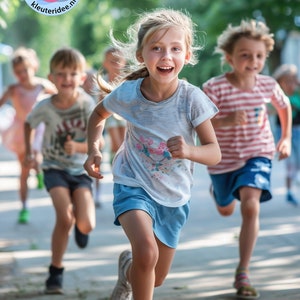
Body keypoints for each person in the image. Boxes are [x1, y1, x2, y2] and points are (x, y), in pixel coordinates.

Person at [84, 8, 221, 300]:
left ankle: (127, 271)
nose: (165, 56)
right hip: (132, 182)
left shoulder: (191, 99)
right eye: (156, 48)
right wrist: (93, 149)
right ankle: (136, 266)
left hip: (173, 195)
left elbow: (214, 153)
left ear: (186, 56)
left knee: (154, 276)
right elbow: (98, 114)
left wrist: (189, 150)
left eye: (175, 48)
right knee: (147, 251)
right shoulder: (129, 93)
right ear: (141, 55)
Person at [202, 20, 292, 299]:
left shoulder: (267, 84)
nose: (253, 61)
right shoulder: (214, 88)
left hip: (257, 153)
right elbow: (200, 122)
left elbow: (283, 105)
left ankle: (243, 270)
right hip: (223, 160)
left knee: (251, 205)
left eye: (259, 56)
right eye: (245, 55)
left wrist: (285, 137)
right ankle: (220, 195)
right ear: (229, 58)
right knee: (227, 209)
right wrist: (226, 120)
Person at [24, 47, 96, 294]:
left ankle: (80, 224)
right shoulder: (45, 106)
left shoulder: (88, 105)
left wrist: (77, 146)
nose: (67, 79)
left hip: (81, 170)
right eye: (61, 74)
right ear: (51, 77)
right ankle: (55, 273)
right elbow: (28, 124)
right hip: (53, 167)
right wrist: (30, 153)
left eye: (73, 73)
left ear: (82, 77)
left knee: (86, 224)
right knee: (64, 217)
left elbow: (99, 143)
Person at [0, 47, 56, 224]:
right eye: (18, 72)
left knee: (37, 154)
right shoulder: (13, 89)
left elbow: (62, 98)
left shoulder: (43, 86)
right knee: (23, 169)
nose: (22, 75)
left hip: (39, 128)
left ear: (33, 66)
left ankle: (38, 169)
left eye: (25, 70)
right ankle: (24, 206)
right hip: (20, 130)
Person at [273, 64, 300, 206]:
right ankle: (289, 191)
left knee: (298, 161)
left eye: (292, 80)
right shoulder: (278, 97)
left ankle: (296, 180)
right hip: (283, 131)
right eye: (286, 81)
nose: (290, 84)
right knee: (290, 163)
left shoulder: (297, 94)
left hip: (298, 130)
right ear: (280, 83)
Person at [101, 46, 127, 164]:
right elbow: (100, 102)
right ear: (105, 63)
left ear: (124, 62)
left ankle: (120, 161)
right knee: (117, 145)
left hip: (124, 115)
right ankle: (117, 161)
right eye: (112, 61)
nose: (115, 64)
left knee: (125, 143)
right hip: (110, 116)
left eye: (118, 61)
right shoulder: (103, 81)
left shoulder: (127, 80)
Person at [81, 69, 102, 207]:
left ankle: (97, 194)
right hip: (81, 132)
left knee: (97, 162)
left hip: (98, 132)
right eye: (87, 80)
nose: (89, 83)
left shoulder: (98, 94)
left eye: (92, 80)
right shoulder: (79, 96)